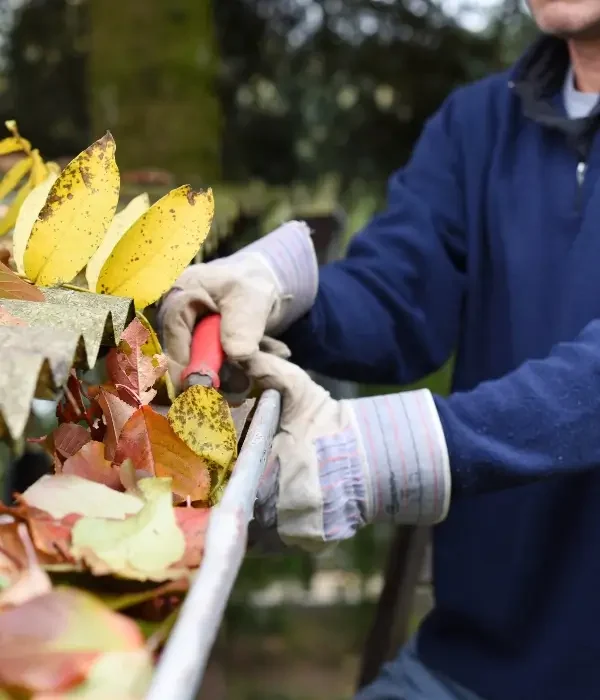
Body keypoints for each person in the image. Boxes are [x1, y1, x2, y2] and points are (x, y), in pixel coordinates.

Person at [159, 2, 600, 698]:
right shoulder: (478, 124)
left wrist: (375, 454)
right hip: (468, 667)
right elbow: (400, 296)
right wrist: (287, 289)